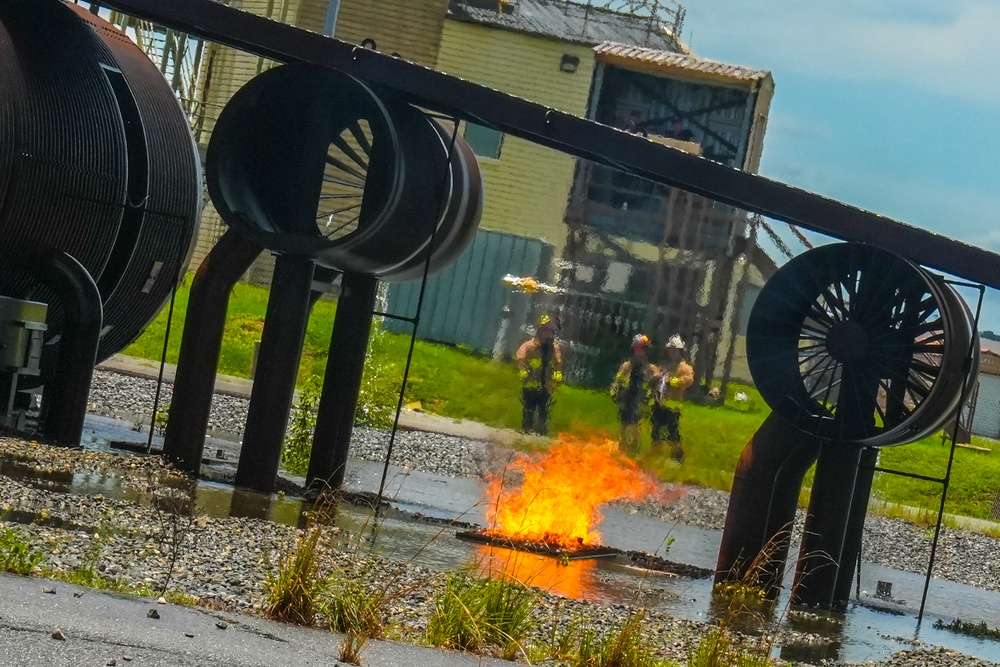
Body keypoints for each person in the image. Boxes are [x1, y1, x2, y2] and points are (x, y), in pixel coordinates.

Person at [610, 333, 659, 454]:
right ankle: (622, 443)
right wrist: (615, 389)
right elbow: (619, 378)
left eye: (641, 348)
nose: (638, 351)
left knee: (635, 422)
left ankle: (634, 446)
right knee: (624, 420)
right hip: (627, 395)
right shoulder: (628, 365)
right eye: (636, 348)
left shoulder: (650, 368)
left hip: (640, 397)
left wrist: (651, 393)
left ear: (646, 350)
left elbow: (656, 381)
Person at [516, 314, 563, 435]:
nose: (549, 334)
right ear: (539, 331)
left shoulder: (553, 347)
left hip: (545, 382)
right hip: (531, 381)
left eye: (551, 331)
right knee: (529, 407)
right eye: (546, 331)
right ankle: (527, 428)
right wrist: (523, 371)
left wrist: (557, 374)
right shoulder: (529, 346)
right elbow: (521, 357)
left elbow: (558, 361)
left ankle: (542, 429)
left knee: (544, 408)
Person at [651, 334, 694, 462]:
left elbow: (688, 380)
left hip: (672, 407)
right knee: (656, 430)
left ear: (680, 351)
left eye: (675, 350)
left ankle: (677, 457)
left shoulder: (683, 367)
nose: (672, 352)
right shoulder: (666, 365)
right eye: (670, 350)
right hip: (659, 403)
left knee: (672, 434)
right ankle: (655, 453)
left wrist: (673, 381)